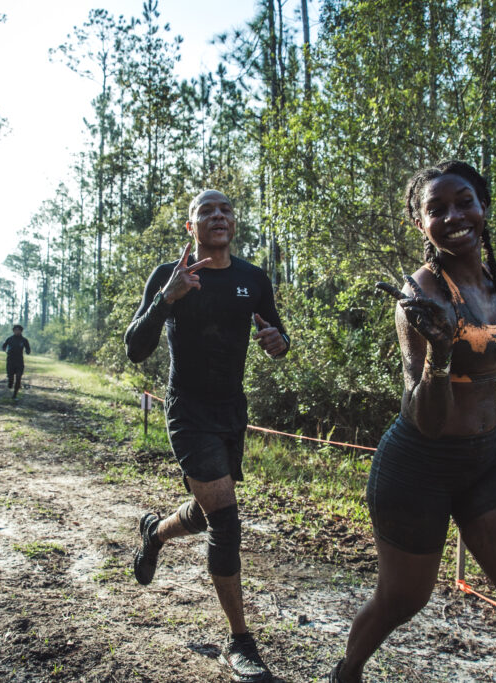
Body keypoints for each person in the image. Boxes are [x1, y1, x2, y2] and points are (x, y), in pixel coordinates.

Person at [331, 161, 496, 683]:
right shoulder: (420, 300)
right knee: (401, 600)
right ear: (420, 224)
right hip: (418, 466)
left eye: (464, 202)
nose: (454, 216)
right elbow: (427, 418)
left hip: (486, 462)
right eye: (436, 209)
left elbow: (491, 361)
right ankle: (347, 672)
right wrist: (439, 350)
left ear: (483, 208)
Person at [124, 189, 289, 683]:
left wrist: (279, 343)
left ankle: (154, 533)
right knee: (227, 520)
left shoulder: (252, 279)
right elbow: (135, 348)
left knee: (208, 508)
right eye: (206, 211)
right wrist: (165, 298)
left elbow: (278, 340)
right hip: (187, 410)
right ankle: (240, 643)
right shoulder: (171, 276)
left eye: (225, 211)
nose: (218, 216)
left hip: (231, 411)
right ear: (191, 226)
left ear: (232, 224)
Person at [2, 325, 31, 399]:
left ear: (21, 331)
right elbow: (4, 346)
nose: (17, 331)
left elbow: (28, 348)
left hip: (19, 361)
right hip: (10, 360)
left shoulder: (24, 340)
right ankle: (10, 382)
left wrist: (28, 351)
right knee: (11, 378)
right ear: (13, 331)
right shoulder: (9, 339)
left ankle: (14, 395)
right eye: (15, 330)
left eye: (18, 330)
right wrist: (5, 350)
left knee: (18, 378)